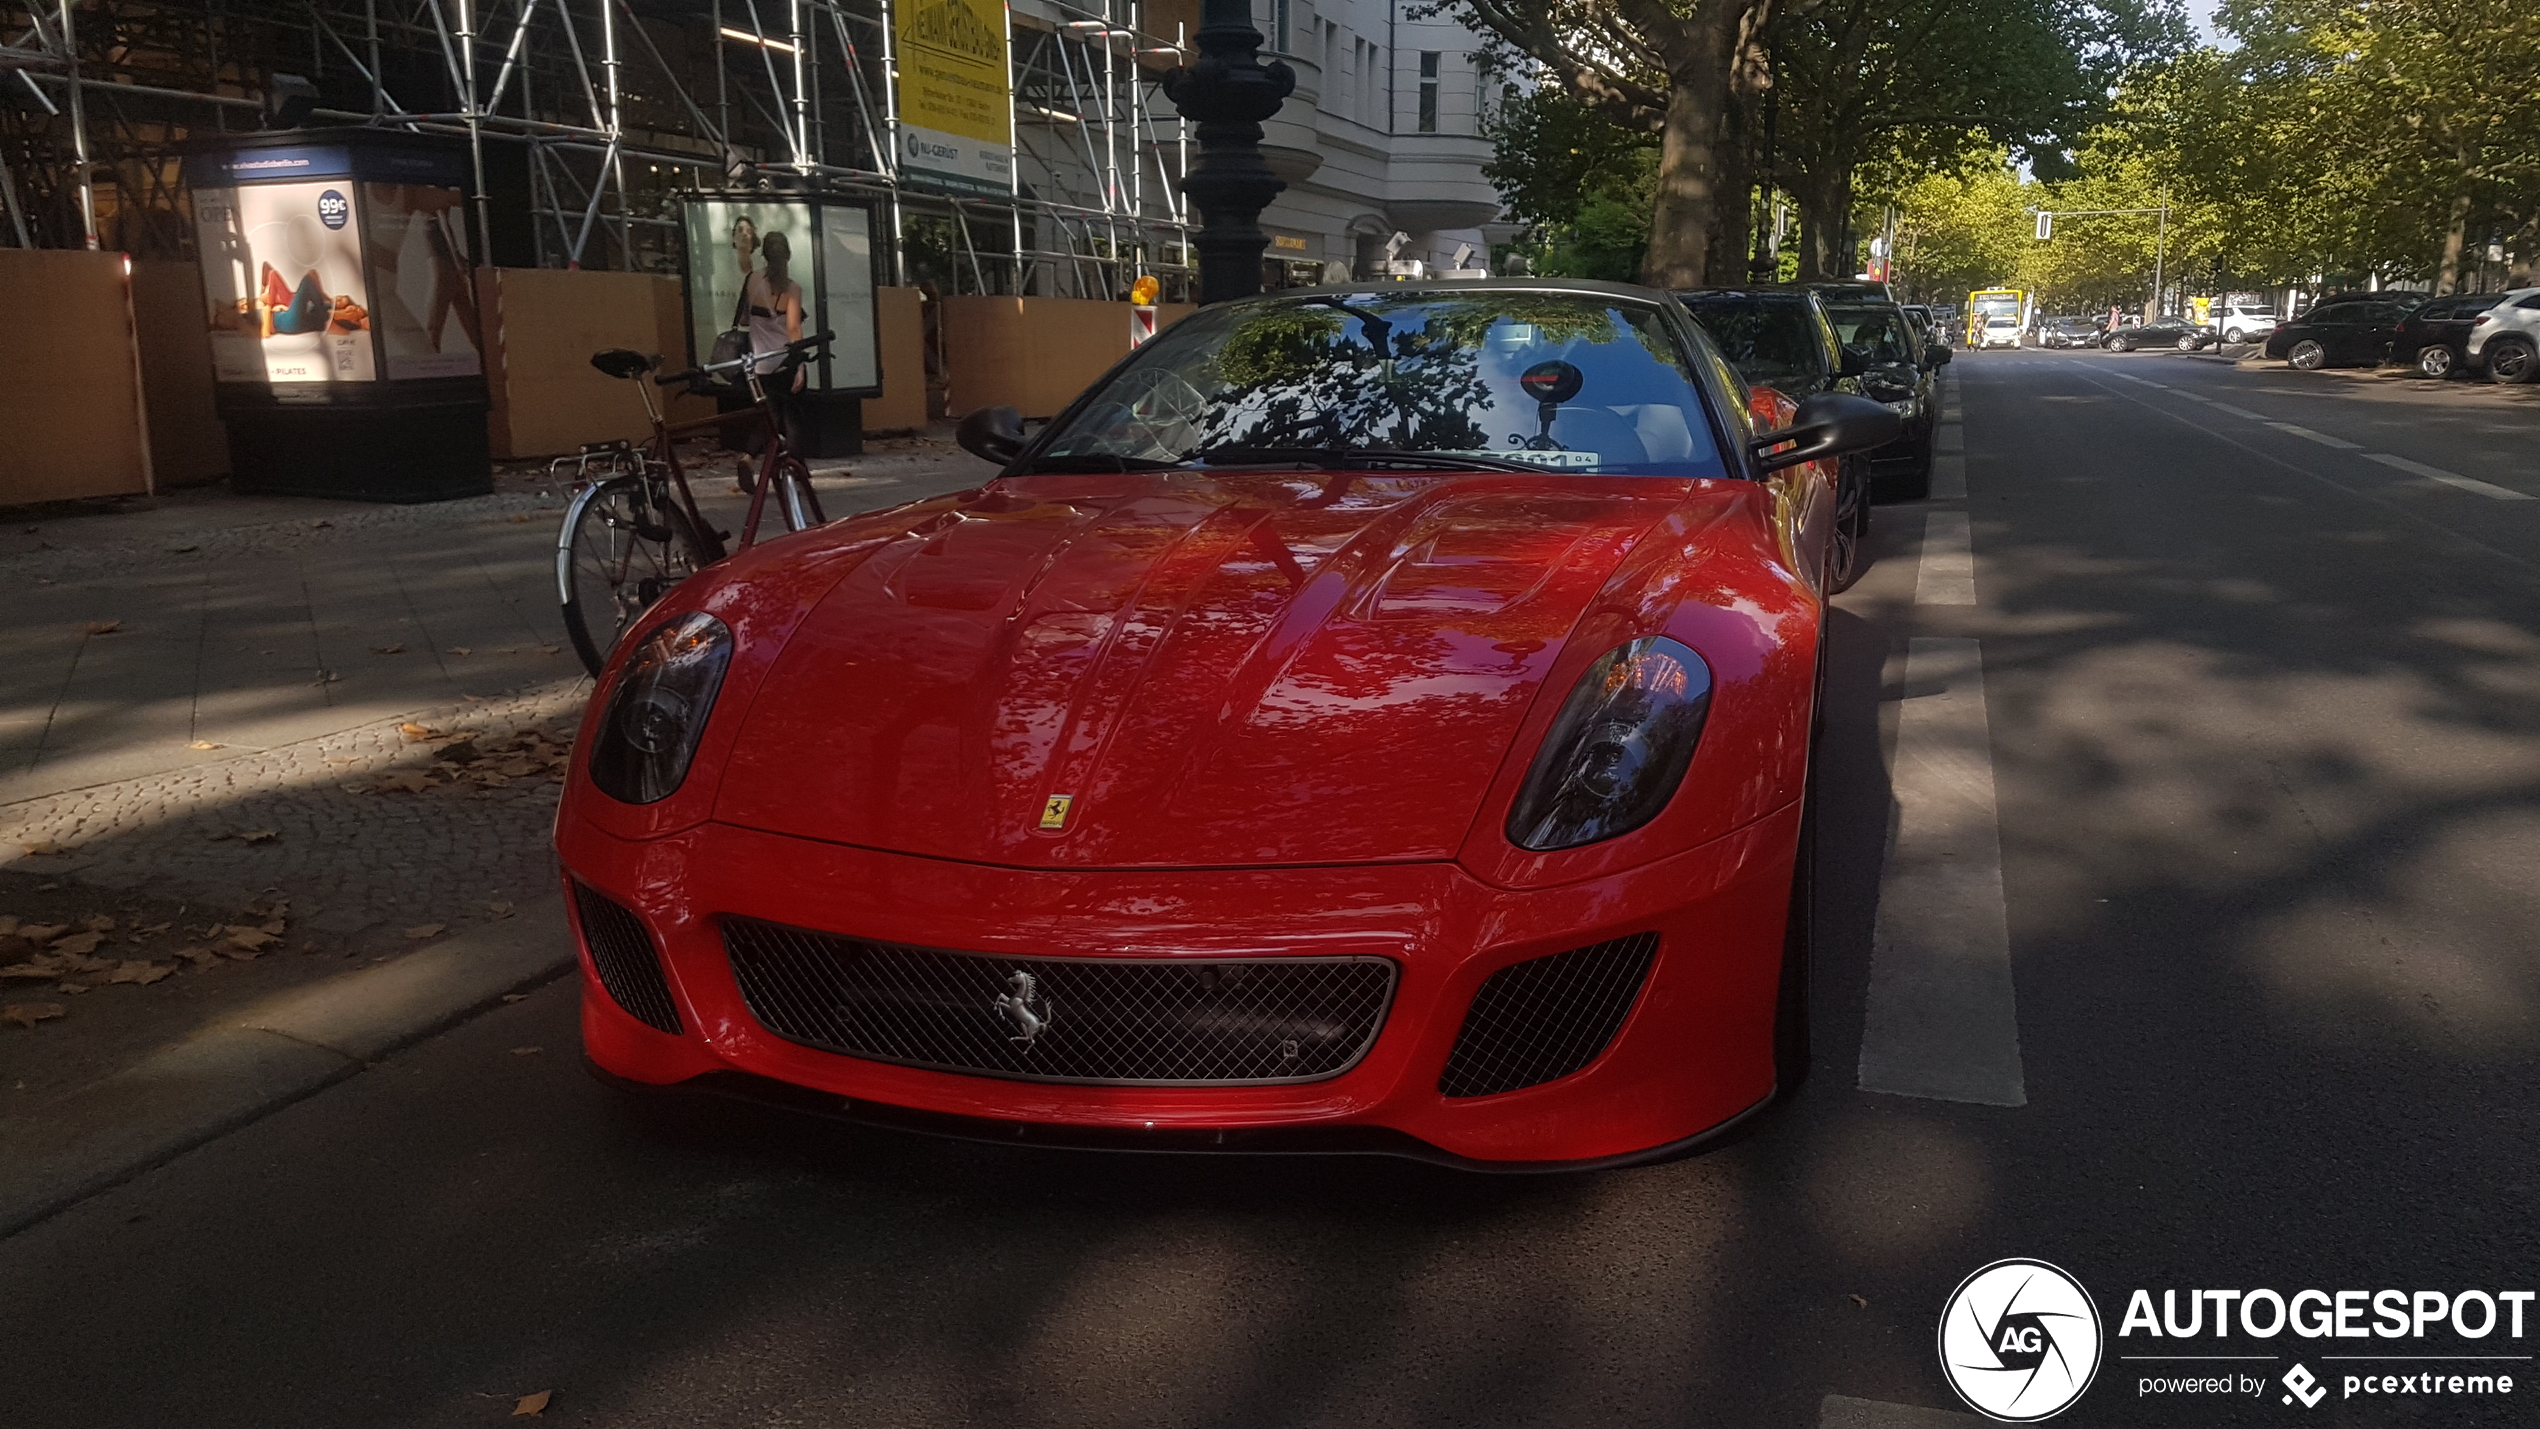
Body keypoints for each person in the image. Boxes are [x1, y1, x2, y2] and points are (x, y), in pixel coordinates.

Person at [745, 230, 809, 456]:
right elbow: (793, 328)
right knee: (793, 417)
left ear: (765, 255)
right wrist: (800, 366)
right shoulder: (792, 289)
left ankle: (748, 455)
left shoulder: (752, 281)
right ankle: (796, 465)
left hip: (759, 362)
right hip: (785, 362)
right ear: (788, 255)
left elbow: (744, 318)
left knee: (769, 415)